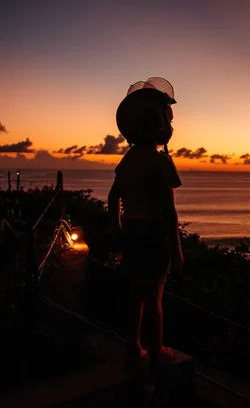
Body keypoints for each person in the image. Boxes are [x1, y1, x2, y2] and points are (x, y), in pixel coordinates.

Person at [107, 78, 184, 369]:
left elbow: (113, 198)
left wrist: (115, 230)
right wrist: (176, 249)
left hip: (132, 232)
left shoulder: (127, 161)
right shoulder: (161, 162)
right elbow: (170, 210)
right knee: (156, 297)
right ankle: (157, 350)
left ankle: (133, 346)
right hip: (154, 235)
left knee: (135, 294)